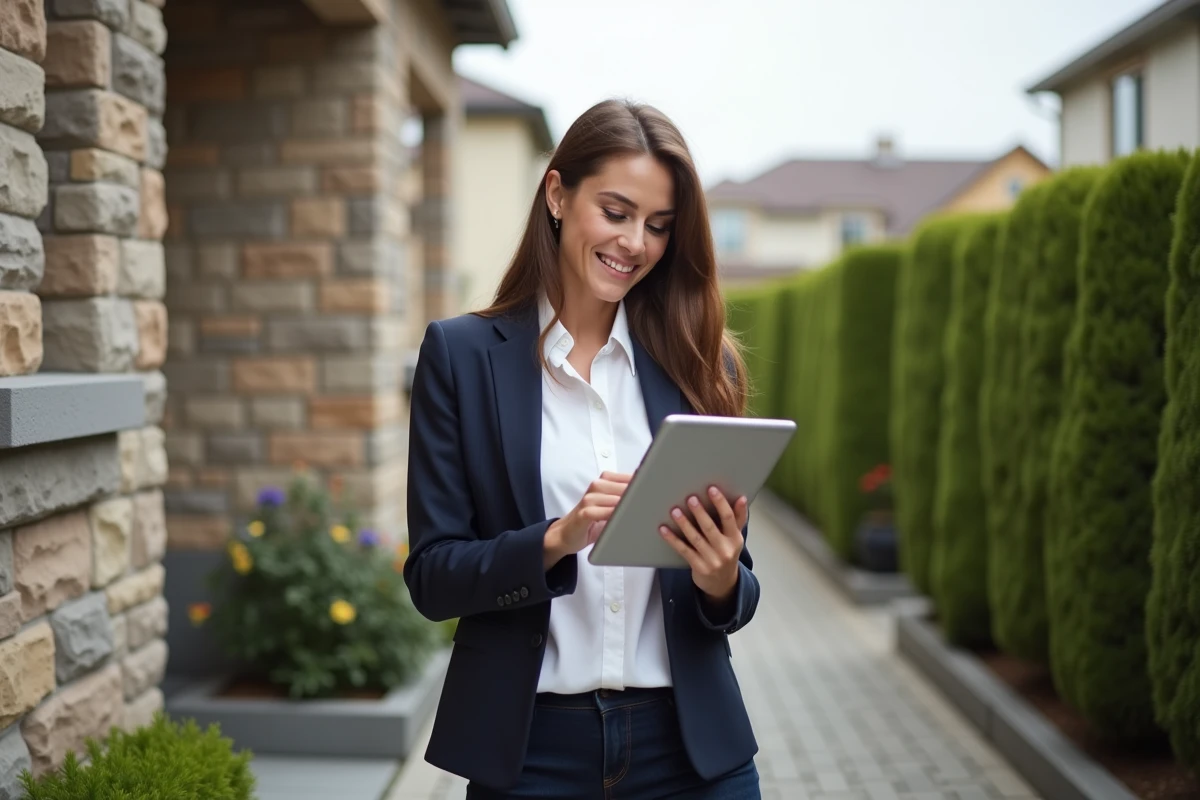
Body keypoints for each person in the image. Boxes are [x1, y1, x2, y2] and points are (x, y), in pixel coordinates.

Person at [403, 98, 761, 799]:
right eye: (617, 212)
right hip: (531, 750)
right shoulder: (463, 356)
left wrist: (720, 577)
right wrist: (556, 539)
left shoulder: (700, 364)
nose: (636, 243)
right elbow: (434, 578)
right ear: (559, 194)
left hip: (689, 753)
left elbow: (738, 593)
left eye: (659, 226)